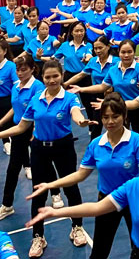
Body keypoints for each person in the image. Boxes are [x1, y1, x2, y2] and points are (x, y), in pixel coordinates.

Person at [25, 92, 139, 259]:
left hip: (134, 200)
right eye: (105, 117)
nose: (110, 121)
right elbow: (80, 175)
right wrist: (51, 185)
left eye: (115, 116)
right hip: (106, 201)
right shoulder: (96, 144)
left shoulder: (137, 141)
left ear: (124, 116)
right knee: (99, 251)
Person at [0, 60, 97, 257]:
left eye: (56, 76)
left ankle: (77, 226)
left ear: (61, 76)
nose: (52, 80)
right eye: (48, 77)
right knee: (39, 192)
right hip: (39, 149)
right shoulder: (36, 98)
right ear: (42, 78)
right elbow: (21, 127)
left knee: (71, 188)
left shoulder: (70, 98)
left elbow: (76, 114)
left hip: (63, 148)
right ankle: (38, 236)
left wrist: (81, 121)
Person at [0, 54, 59, 222]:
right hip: (19, 130)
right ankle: (7, 205)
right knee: (12, 168)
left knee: (45, 165)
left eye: (24, 70)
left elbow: (38, 110)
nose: (20, 73)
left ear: (33, 69)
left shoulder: (38, 87)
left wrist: (34, 131)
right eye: (18, 70)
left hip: (35, 131)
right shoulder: (16, 86)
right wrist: (2, 122)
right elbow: (15, 108)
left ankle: (55, 194)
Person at [69, 40, 139, 136]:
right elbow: (102, 86)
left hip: (138, 109)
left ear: (134, 52)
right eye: (123, 52)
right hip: (119, 108)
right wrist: (81, 89)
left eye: (129, 52)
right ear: (119, 52)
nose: (126, 55)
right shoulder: (113, 70)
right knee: (120, 136)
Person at [64, 36, 119, 139]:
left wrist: (112, 87)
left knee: (117, 123)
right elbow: (81, 75)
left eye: (100, 48)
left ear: (108, 47)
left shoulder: (116, 62)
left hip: (114, 95)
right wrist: (65, 84)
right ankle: (92, 148)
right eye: (95, 48)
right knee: (96, 125)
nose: (97, 51)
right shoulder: (93, 61)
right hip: (97, 94)